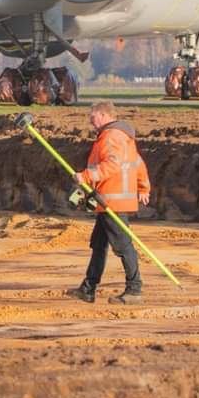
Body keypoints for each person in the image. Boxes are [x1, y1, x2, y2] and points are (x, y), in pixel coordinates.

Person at [67, 101, 150, 305]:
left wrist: (86, 176)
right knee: (99, 245)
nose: (90, 120)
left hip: (113, 202)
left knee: (123, 246)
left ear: (104, 115)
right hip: (106, 201)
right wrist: (143, 187)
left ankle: (134, 289)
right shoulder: (121, 136)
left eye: (93, 116)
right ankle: (88, 289)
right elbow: (138, 164)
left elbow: (113, 164)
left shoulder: (112, 136)